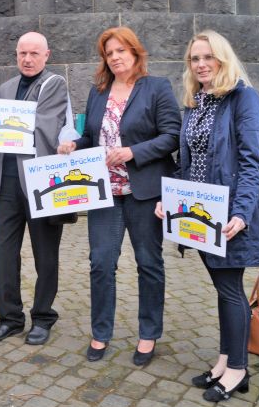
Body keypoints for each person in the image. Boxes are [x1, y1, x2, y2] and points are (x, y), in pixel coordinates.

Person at [58, 26, 181, 364]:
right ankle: (101, 333)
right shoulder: (99, 91)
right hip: (105, 192)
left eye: (120, 51)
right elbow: (90, 136)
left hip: (144, 192)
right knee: (100, 263)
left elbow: (172, 135)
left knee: (149, 263)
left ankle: (148, 334)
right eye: (109, 53)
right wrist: (73, 145)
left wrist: (133, 152)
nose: (114, 57)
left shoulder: (157, 88)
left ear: (135, 52)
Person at [155, 30, 259, 402]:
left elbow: (251, 162)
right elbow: (187, 163)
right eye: (194, 59)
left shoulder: (243, 98)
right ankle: (224, 360)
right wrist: (171, 200)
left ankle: (238, 369)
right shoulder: (196, 102)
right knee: (222, 288)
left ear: (222, 58)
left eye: (208, 57)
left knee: (232, 290)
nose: (201, 64)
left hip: (230, 214)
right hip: (201, 211)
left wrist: (242, 213)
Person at [0, 32, 72, 346]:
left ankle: (43, 317)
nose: (28, 59)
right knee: (2, 253)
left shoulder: (54, 84)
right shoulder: (5, 88)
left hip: (40, 180)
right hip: (7, 180)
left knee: (45, 254)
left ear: (46, 55)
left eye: (34, 53)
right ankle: (10, 318)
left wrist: (3, 124)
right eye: (23, 53)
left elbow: (45, 127)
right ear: (16, 54)